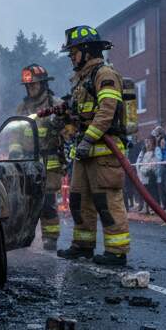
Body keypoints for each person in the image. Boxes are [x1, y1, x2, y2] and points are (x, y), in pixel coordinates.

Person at [56, 25, 131, 266]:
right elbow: (81, 114)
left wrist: (88, 139)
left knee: (106, 202)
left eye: (73, 53)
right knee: (79, 201)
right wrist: (65, 117)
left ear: (87, 51)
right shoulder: (81, 79)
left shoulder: (104, 74)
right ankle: (83, 245)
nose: (71, 58)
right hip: (84, 153)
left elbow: (107, 111)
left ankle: (116, 251)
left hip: (103, 152)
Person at [12, 63, 67, 250]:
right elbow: (15, 134)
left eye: (34, 85)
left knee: (48, 203)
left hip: (50, 160)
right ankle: (24, 237)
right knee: (26, 201)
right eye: (28, 85)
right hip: (27, 160)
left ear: (43, 84)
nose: (31, 88)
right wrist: (15, 150)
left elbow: (69, 130)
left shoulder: (56, 104)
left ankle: (50, 238)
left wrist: (59, 123)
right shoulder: (22, 107)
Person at [135, 133, 162, 213]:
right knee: (144, 193)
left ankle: (153, 208)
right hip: (142, 176)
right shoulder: (143, 151)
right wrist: (140, 170)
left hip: (151, 175)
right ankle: (145, 208)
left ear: (153, 141)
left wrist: (147, 169)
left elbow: (156, 161)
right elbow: (138, 162)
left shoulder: (156, 150)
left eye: (149, 141)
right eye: (146, 141)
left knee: (152, 193)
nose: (147, 143)